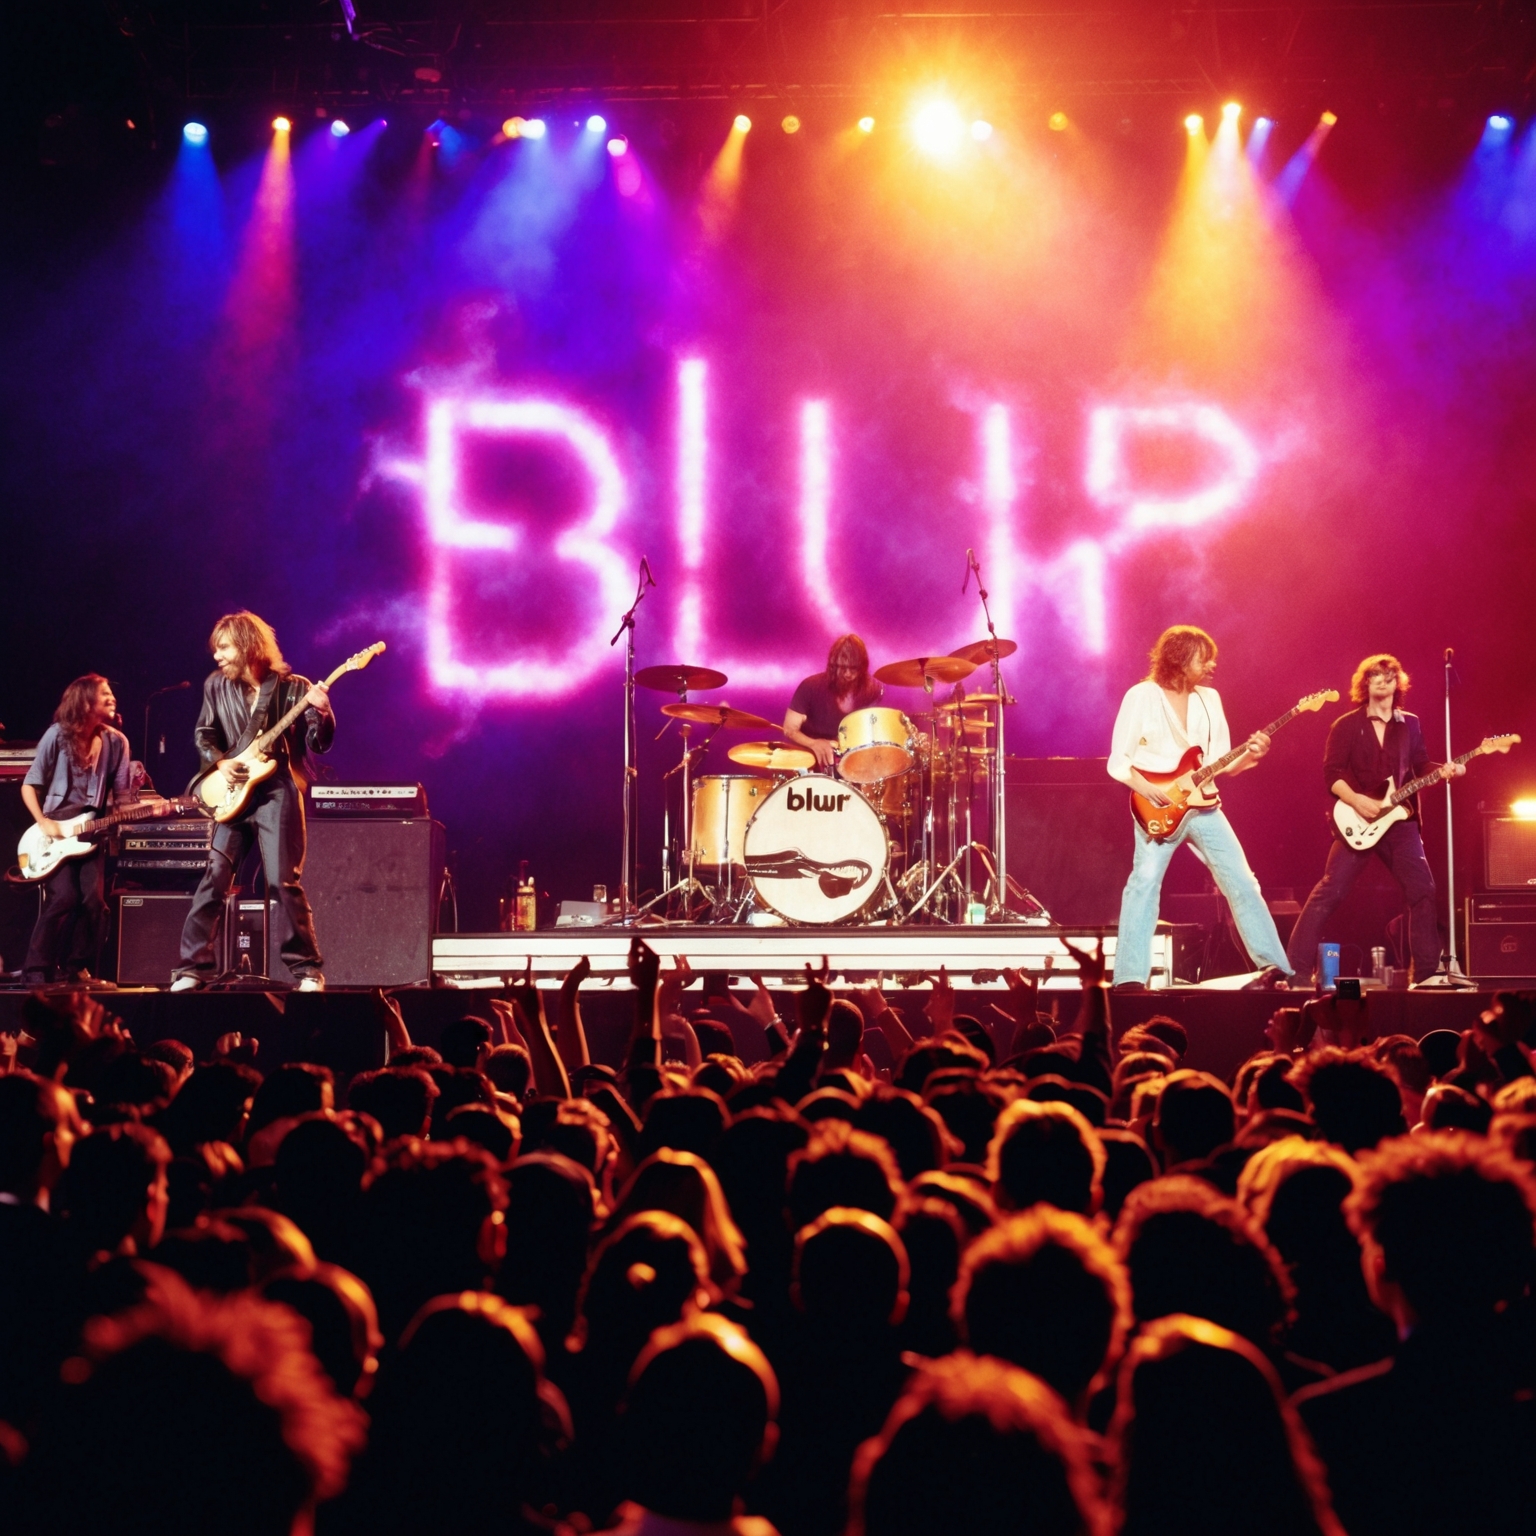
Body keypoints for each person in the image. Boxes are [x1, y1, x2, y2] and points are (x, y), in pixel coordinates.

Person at [1107, 626, 1292, 990]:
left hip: (1205, 804)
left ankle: (1274, 969)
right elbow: (1118, 759)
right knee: (1144, 884)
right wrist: (1147, 789)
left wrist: (1254, 754)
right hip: (1157, 806)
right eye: (1202, 657)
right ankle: (1129, 977)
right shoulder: (1142, 695)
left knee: (1242, 881)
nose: (1211, 665)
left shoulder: (1210, 699)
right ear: (1179, 657)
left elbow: (1222, 763)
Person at [170, 612, 333, 992]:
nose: (217, 657)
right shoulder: (215, 686)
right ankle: (191, 969)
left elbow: (317, 743)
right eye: (216, 650)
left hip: (276, 791)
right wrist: (221, 763)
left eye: (224, 648)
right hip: (231, 792)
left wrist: (322, 713)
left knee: (281, 882)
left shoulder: (295, 688)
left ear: (247, 646)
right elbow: (203, 734)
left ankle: (307, 969)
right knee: (213, 878)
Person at [1285, 654, 1462, 986]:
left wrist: (1444, 770)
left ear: (1399, 683)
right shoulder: (1347, 725)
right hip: (1358, 819)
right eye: (1376, 675)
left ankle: (1425, 975)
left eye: (1390, 675)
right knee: (1330, 891)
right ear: (1364, 684)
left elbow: (1420, 764)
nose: (1384, 679)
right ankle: (1293, 970)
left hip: (1400, 821)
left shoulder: (1410, 723)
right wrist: (1357, 801)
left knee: (1423, 890)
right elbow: (1332, 774)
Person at [20, 674, 137, 985]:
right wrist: (44, 823)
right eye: (105, 694)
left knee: (95, 904)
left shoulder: (117, 742)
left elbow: (122, 798)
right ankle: (36, 968)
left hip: (91, 829)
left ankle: (76, 968)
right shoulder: (56, 736)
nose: (113, 699)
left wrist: (135, 807)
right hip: (55, 827)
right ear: (85, 701)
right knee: (64, 898)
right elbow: (30, 785)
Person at [782, 634, 883, 768]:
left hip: (853, 764)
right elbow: (789, 728)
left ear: (863, 667)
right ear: (832, 666)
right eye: (842, 667)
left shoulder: (873, 690)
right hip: (811, 763)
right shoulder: (811, 686)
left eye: (853, 668)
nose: (847, 674)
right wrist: (813, 743)